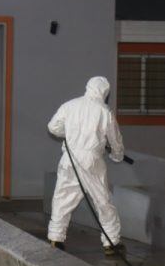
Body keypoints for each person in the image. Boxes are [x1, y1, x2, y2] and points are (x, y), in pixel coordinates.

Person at [47, 76, 125, 256]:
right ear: (105, 92)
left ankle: (55, 238)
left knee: (63, 198)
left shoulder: (69, 105)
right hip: (92, 162)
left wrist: (70, 134)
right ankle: (111, 242)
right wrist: (117, 155)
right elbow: (115, 139)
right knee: (102, 200)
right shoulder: (104, 111)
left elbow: (53, 127)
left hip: (69, 159)